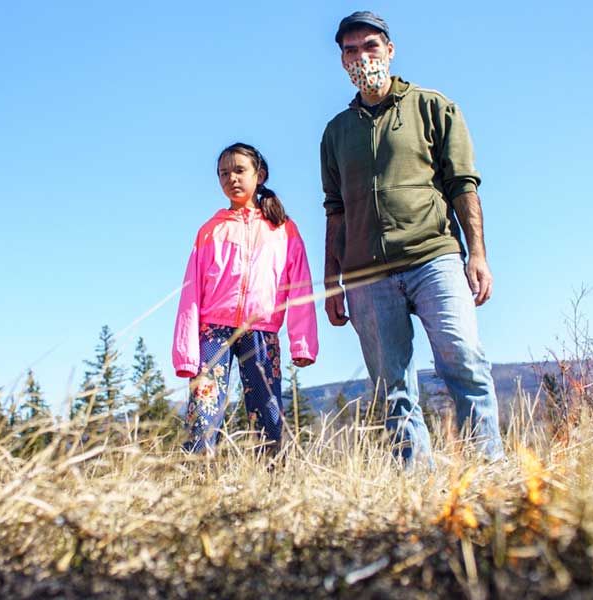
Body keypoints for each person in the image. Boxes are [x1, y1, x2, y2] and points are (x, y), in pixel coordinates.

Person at [320, 11, 504, 465]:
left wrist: (477, 254)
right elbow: (334, 209)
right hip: (367, 275)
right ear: (342, 61)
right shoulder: (335, 133)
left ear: (390, 50)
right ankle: (415, 483)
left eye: (370, 47)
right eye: (350, 50)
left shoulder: (432, 107)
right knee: (392, 386)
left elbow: (463, 183)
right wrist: (331, 281)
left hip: (434, 257)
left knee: (462, 358)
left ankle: (488, 472)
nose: (362, 57)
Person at [173, 143, 318, 454]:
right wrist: (186, 352)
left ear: (259, 175)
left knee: (268, 410)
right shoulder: (210, 231)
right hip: (213, 334)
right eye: (223, 173)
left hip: (262, 332)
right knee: (203, 412)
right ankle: (194, 485)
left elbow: (301, 288)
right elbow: (190, 295)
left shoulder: (283, 229)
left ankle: (272, 482)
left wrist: (302, 342)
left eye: (239, 170)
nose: (231, 178)